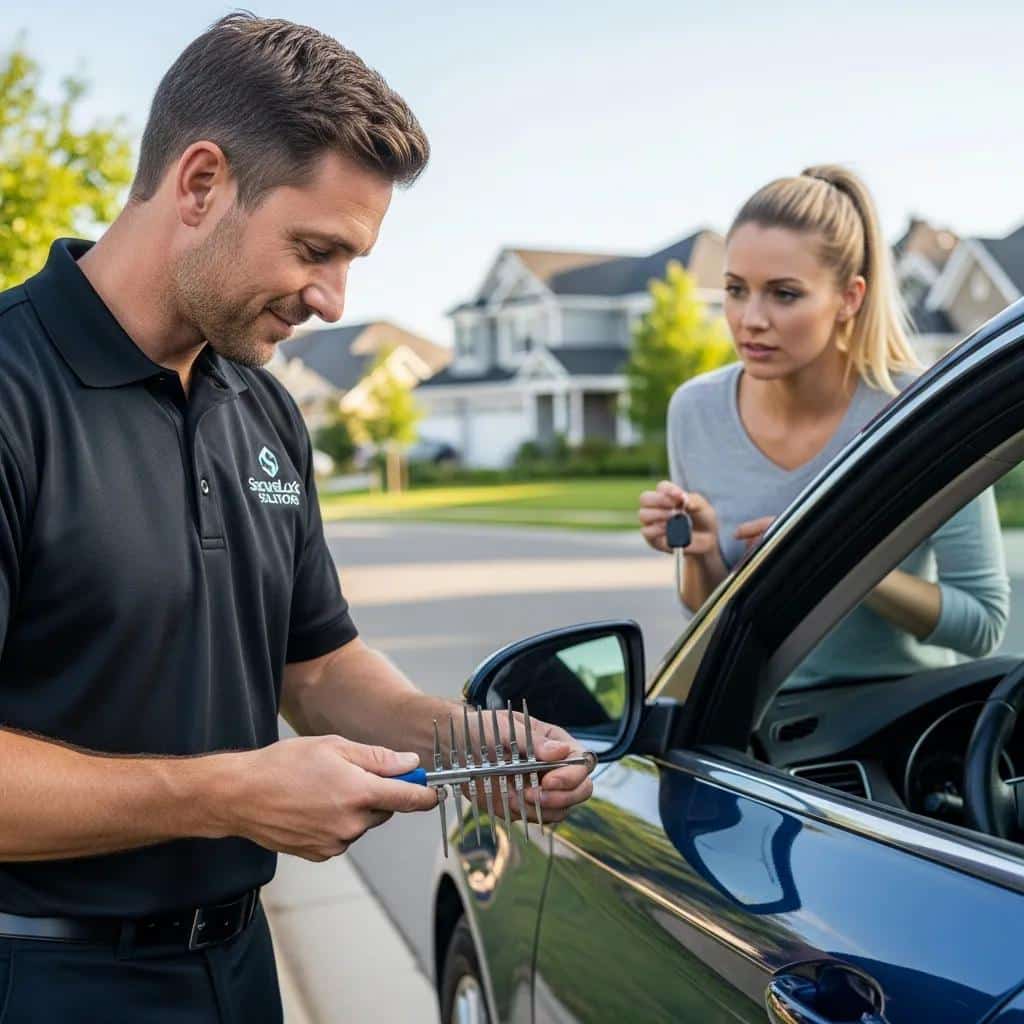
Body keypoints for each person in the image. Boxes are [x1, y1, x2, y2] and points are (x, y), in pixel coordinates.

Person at [0, 14, 593, 1020]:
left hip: (237, 969)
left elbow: (314, 671)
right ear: (200, 184)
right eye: (316, 250)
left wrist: (465, 741)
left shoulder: (265, 407)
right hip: (40, 977)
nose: (333, 300)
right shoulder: (14, 391)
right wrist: (229, 793)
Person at [638, 165, 1009, 688]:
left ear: (849, 298)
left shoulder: (923, 409)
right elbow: (712, 622)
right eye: (736, 289)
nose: (751, 319)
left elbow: (982, 624)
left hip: (895, 720)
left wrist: (831, 560)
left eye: (784, 294)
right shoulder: (695, 411)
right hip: (752, 723)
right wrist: (700, 555)